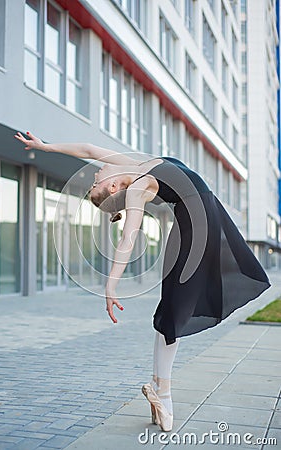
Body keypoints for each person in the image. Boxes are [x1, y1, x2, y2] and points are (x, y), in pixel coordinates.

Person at [14, 131, 271, 432]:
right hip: (194, 234)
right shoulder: (138, 187)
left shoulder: (138, 166)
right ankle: (163, 392)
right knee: (173, 314)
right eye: (95, 181)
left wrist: (45, 146)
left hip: (208, 223)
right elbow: (128, 237)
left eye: (93, 179)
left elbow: (87, 147)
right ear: (112, 186)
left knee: (173, 313)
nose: (94, 172)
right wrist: (111, 286)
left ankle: (159, 388)